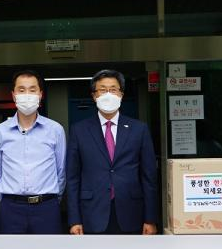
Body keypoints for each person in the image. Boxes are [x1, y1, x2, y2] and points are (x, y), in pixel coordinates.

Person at [67, 69, 159, 235]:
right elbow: (73, 178)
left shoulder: (139, 129)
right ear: (94, 96)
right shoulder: (79, 130)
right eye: (102, 90)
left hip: (132, 212)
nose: (108, 94)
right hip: (92, 213)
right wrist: (74, 220)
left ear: (121, 95)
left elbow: (149, 177)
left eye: (113, 89)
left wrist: (150, 218)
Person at [0, 70, 66, 234]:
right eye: (21, 90)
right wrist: (10, 200)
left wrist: (51, 200)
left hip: (46, 208)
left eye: (32, 90)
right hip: (11, 208)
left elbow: (61, 171)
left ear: (40, 94)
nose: (27, 95)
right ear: (13, 95)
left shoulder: (55, 130)